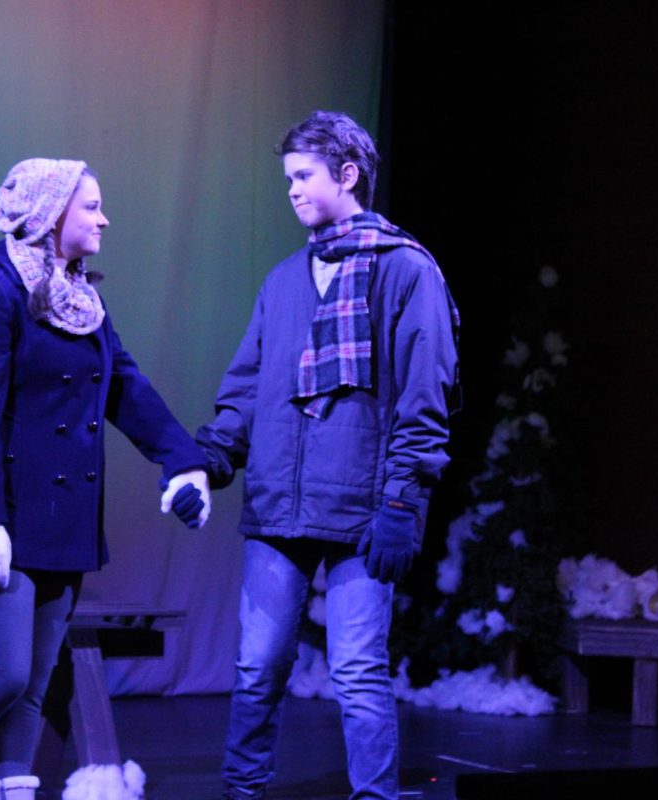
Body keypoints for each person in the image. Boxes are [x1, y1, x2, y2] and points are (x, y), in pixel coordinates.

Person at [0, 158, 210, 800]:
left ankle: (11, 789)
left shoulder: (84, 302)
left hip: (65, 521)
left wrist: (184, 460)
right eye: (91, 205)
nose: (104, 218)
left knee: (37, 685)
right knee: (5, 673)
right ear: (50, 215)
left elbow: (128, 389)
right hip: (5, 518)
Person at [196, 111, 460, 800]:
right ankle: (242, 791)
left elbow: (424, 400)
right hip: (280, 502)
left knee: (358, 671)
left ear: (348, 175)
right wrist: (213, 457)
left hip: (363, 508)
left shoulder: (405, 271)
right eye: (287, 178)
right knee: (257, 666)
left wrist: (403, 500)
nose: (291, 190)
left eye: (304, 175)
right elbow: (248, 386)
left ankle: (375, 797)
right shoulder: (286, 278)